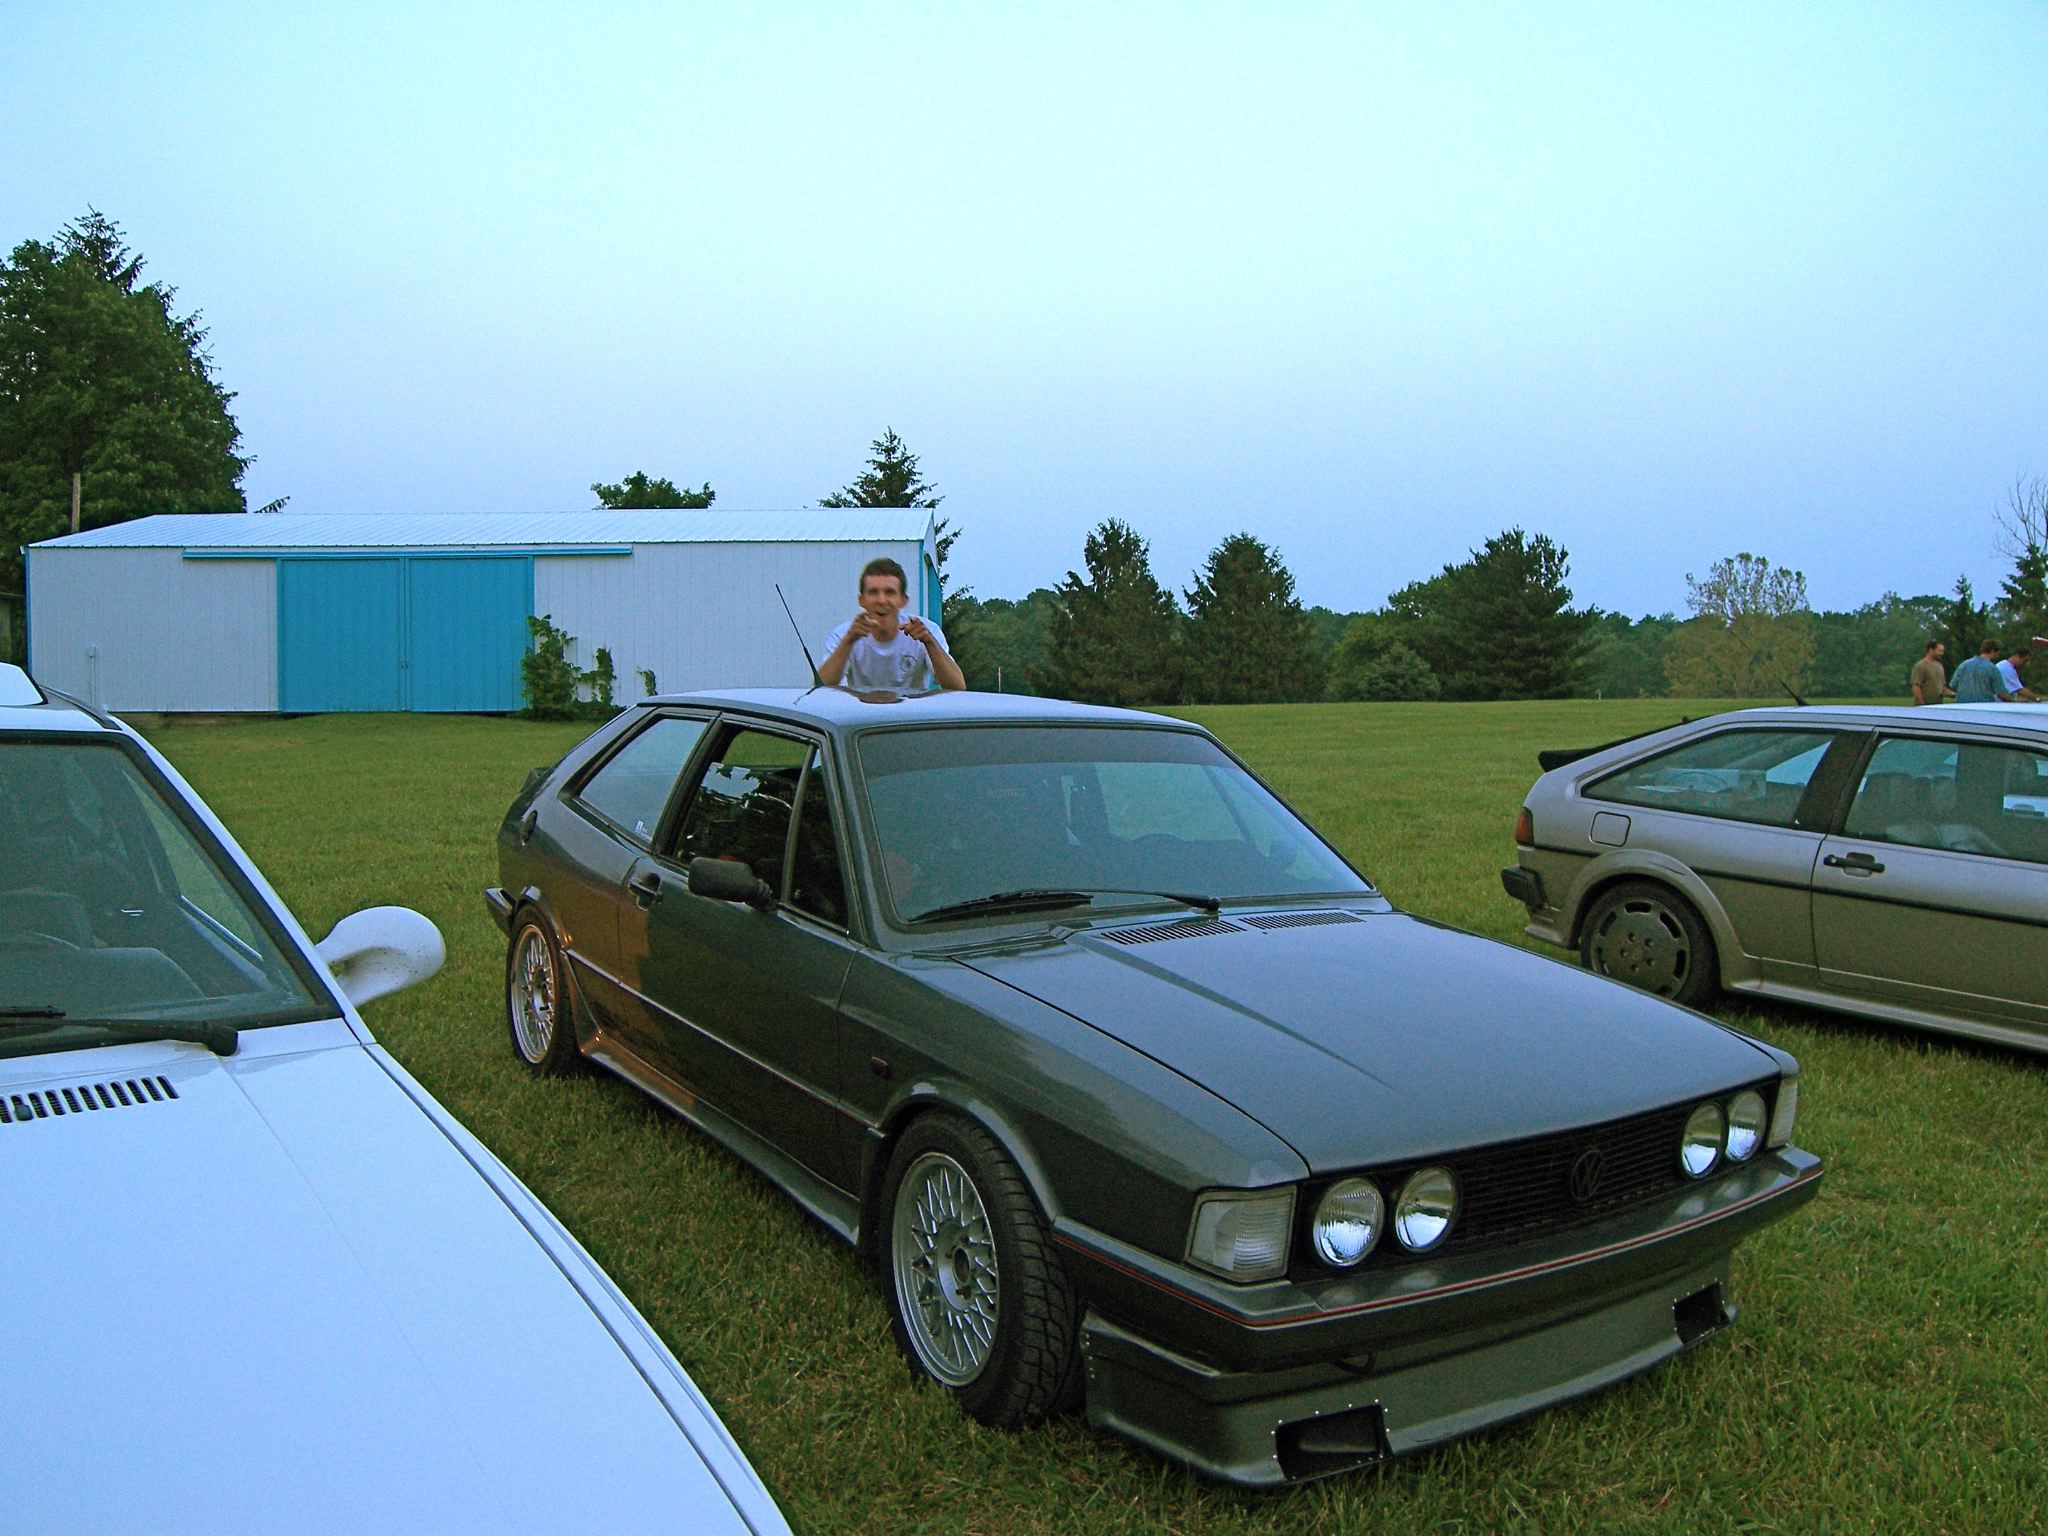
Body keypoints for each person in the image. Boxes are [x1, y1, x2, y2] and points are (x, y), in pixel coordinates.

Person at [817, 557, 965, 692]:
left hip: (912, 711)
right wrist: (848, 641)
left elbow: (957, 686)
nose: (881, 600)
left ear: (903, 600)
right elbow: (821, 688)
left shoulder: (925, 630)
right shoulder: (844, 634)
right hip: (862, 711)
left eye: (889, 592)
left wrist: (929, 642)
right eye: (873, 592)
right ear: (861, 600)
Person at [1909, 640, 1952, 705]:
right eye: (1939, 651)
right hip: (1924, 706)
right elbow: (1916, 686)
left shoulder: (1939, 666)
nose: (1942, 653)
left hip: (1937, 705)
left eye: (1942, 651)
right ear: (1931, 650)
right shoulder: (1920, 665)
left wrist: (1953, 694)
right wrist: (1922, 705)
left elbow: (1942, 687)